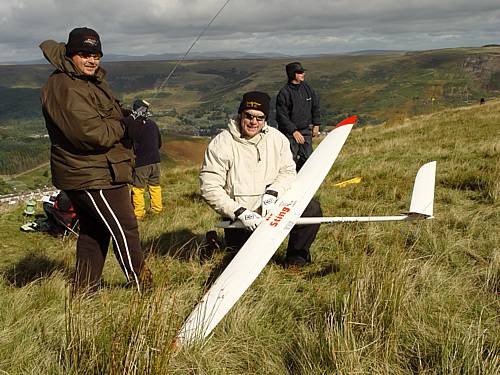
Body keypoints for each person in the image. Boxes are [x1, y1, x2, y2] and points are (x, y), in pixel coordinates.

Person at [40, 27, 150, 292]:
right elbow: (91, 133)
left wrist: (127, 115)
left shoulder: (86, 80)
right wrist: (126, 127)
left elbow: (103, 116)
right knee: (125, 228)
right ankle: (144, 290)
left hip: (98, 170)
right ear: (70, 54)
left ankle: (84, 292)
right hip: (91, 173)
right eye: (84, 54)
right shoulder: (64, 86)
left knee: (94, 231)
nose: (92, 60)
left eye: (96, 54)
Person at [200, 91, 322, 266]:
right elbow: (209, 188)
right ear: (240, 114)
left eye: (260, 118)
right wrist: (239, 212)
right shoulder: (221, 143)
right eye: (249, 116)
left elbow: (288, 171)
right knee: (244, 263)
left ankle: (296, 260)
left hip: (273, 206)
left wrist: (273, 193)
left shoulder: (277, 139)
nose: (253, 122)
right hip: (241, 217)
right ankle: (215, 245)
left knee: (312, 210)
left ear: (265, 119)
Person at [276, 61, 321, 171]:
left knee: (308, 158)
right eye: (300, 72)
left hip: (305, 130)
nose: (303, 74)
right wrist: (294, 131)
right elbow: (282, 116)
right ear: (293, 74)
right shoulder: (284, 93)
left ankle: (300, 177)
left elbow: (315, 105)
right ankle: (288, 181)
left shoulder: (307, 88)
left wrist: (316, 124)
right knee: (289, 160)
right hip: (289, 133)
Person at [122, 99, 163, 219]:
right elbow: (159, 143)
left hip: (142, 162)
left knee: (138, 188)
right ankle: (157, 209)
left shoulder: (134, 125)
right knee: (155, 186)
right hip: (156, 160)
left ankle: (138, 213)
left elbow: (129, 142)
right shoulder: (153, 124)